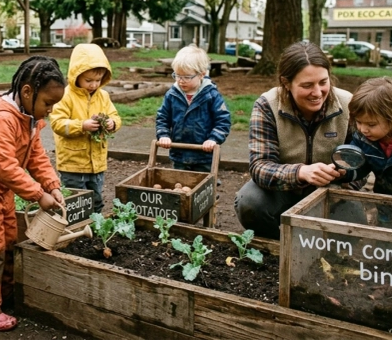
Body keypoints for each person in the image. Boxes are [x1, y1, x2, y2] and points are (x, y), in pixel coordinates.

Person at [0, 55, 66, 332]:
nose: (51, 110)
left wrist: (52, 184)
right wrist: (38, 194)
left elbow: (36, 156)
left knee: (7, 240)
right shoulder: (1, 120)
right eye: (48, 103)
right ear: (27, 92)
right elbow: (5, 166)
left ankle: (2, 295)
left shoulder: (28, 117)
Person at [234, 41, 364, 239]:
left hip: (331, 189)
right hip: (283, 189)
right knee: (250, 204)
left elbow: (363, 162)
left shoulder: (348, 105)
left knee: (356, 222)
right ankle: (279, 247)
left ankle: (320, 248)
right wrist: (301, 172)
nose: (318, 92)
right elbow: (259, 166)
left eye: (323, 82)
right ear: (286, 83)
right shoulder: (267, 106)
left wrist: (344, 176)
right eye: (307, 85)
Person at [50, 43, 122, 214]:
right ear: (76, 75)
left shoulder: (103, 96)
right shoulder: (65, 96)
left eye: (98, 80)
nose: (93, 85)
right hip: (72, 162)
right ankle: (75, 228)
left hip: (97, 162)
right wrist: (81, 125)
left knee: (96, 197)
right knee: (76, 200)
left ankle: (95, 225)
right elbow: (57, 123)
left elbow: (116, 116)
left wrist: (112, 123)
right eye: (88, 80)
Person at [347, 77, 392, 229]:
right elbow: (357, 166)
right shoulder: (363, 138)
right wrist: (344, 171)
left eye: (371, 124)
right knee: (387, 240)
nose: (363, 129)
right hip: (385, 204)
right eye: (359, 122)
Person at [156, 44, 231, 172]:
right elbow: (162, 117)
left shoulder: (211, 95)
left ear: (201, 74)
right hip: (179, 154)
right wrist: (163, 135)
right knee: (179, 184)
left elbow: (223, 121)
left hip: (204, 155)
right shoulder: (172, 94)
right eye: (177, 75)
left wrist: (213, 139)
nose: (181, 80)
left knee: (204, 185)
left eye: (187, 77)